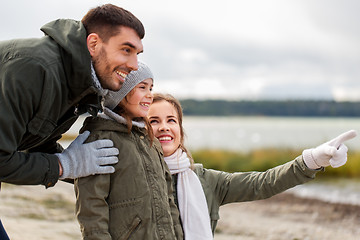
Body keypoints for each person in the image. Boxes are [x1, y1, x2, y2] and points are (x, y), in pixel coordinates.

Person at [0, 3, 144, 237]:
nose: (134, 65)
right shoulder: (34, 69)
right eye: (126, 50)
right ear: (94, 44)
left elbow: (38, 145)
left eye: (137, 54)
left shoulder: (77, 83)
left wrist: (96, 168)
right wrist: (64, 166)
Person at [147, 93, 357, 239]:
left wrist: (311, 160)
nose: (164, 127)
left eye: (171, 120)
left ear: (180, 130)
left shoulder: (206, 181)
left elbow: (263, 183)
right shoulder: (132, 177)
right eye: (154, 121)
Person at [74, 62, 183, 240]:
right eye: (142, 87)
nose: (149, 95)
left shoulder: (151, 142)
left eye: (151, 88)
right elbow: (91, 206)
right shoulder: (101, 139)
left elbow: (168, 198)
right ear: (120, 91)